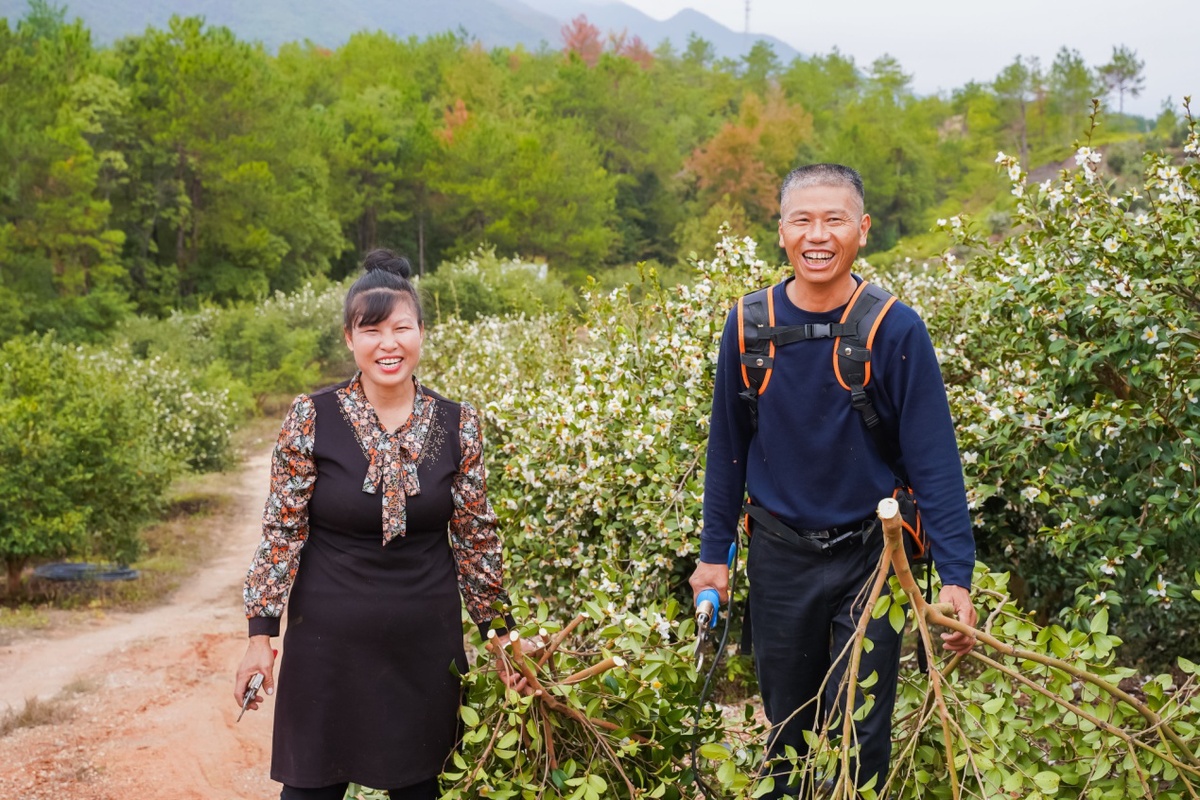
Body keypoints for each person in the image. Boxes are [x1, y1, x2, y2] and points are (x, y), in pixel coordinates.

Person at [689, 164, 978, 797]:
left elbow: (934, 462)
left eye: (834, 219)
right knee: (785, 730)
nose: (817, 235)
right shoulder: (747, 324)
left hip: (874, 559)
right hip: (779, 554)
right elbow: (728, 451)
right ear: (782, 231)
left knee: (862, 731)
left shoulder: (895, 328)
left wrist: (956, 576)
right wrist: (713, 557)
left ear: (862, 230)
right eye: (803, 220)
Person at [234, 249, 521, 800]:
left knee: (421, 789)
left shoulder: (459, 424)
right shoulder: (310, 418)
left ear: (421, 333)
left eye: (401, 328)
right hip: (328, 646)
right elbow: (282, 532)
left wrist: (500, 636)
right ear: (349, 338)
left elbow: (475, 539)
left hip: (424, 648)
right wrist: (260, 638)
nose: (388, 344)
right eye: (371, 330)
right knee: (310, 791)